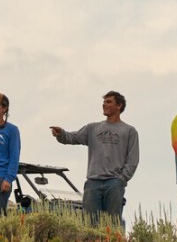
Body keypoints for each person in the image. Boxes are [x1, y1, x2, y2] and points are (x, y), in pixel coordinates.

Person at [49, 91, 139, 224]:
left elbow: (133, 159)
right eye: (104, 102)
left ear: (119, 105)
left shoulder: (129, 131)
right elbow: (73, 137)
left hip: (114, 183)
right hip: (93, 183)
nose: (104, 104)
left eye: (108, 102)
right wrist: (61, 134)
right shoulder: (93, 128)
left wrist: (121, 179)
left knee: (113, 225)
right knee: (90, 225)